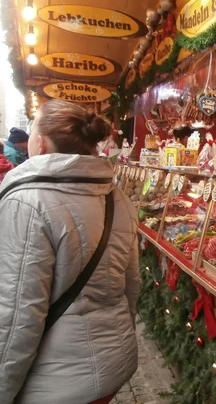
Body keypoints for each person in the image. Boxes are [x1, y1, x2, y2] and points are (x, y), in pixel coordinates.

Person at [0, 100, 140, 403]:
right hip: (114, 363)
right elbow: (131, 286)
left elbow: (17, 317)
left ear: (39, 142)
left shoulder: (26, 202)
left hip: (56, 383)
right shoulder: (120, 199)